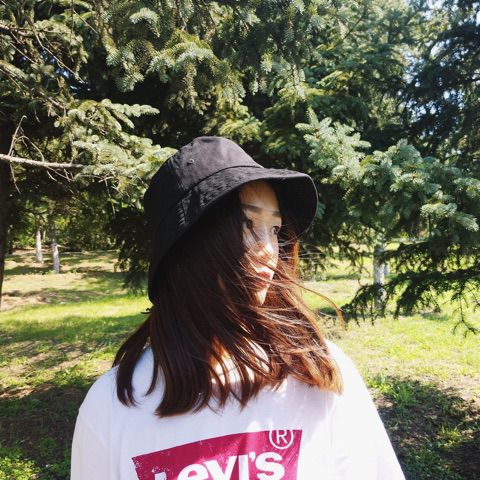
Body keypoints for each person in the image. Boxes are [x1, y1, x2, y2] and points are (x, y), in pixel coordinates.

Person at [71, 136, 405, 480]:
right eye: (247, 224)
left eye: (274, 229)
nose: (269, 251)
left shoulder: (318, 374)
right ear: (185, 245)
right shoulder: (113, 407)